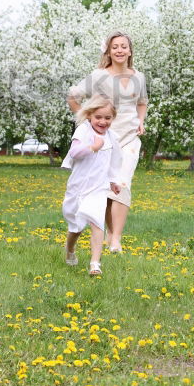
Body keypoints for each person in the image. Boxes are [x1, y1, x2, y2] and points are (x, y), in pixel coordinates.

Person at [67, 31, 147, 253]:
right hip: (105, 140)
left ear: (130, 50)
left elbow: (142, 102)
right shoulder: (98, 76)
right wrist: (87, 124)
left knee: (122, 184)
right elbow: (73, 97)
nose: (119, 50)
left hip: (130, 138)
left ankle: (116, 239)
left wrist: (141, 120)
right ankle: (110, 233)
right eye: (115, 47)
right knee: (106, 187)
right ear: (109, 51)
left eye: (123, 46)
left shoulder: (138, 77)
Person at [60, 95, 122, 276]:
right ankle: (70, 250)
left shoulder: (112, 137)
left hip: (98, 188)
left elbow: (111, 162)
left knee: (97, 222)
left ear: (113, 118)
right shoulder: (83, 131)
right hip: (78, 188)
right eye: (98, 117)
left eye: (107, 118)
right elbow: (74, 153)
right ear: (89, 116)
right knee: (76, 228)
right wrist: (93, 147)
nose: (103, 121)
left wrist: (113, 181)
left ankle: (95, 264)